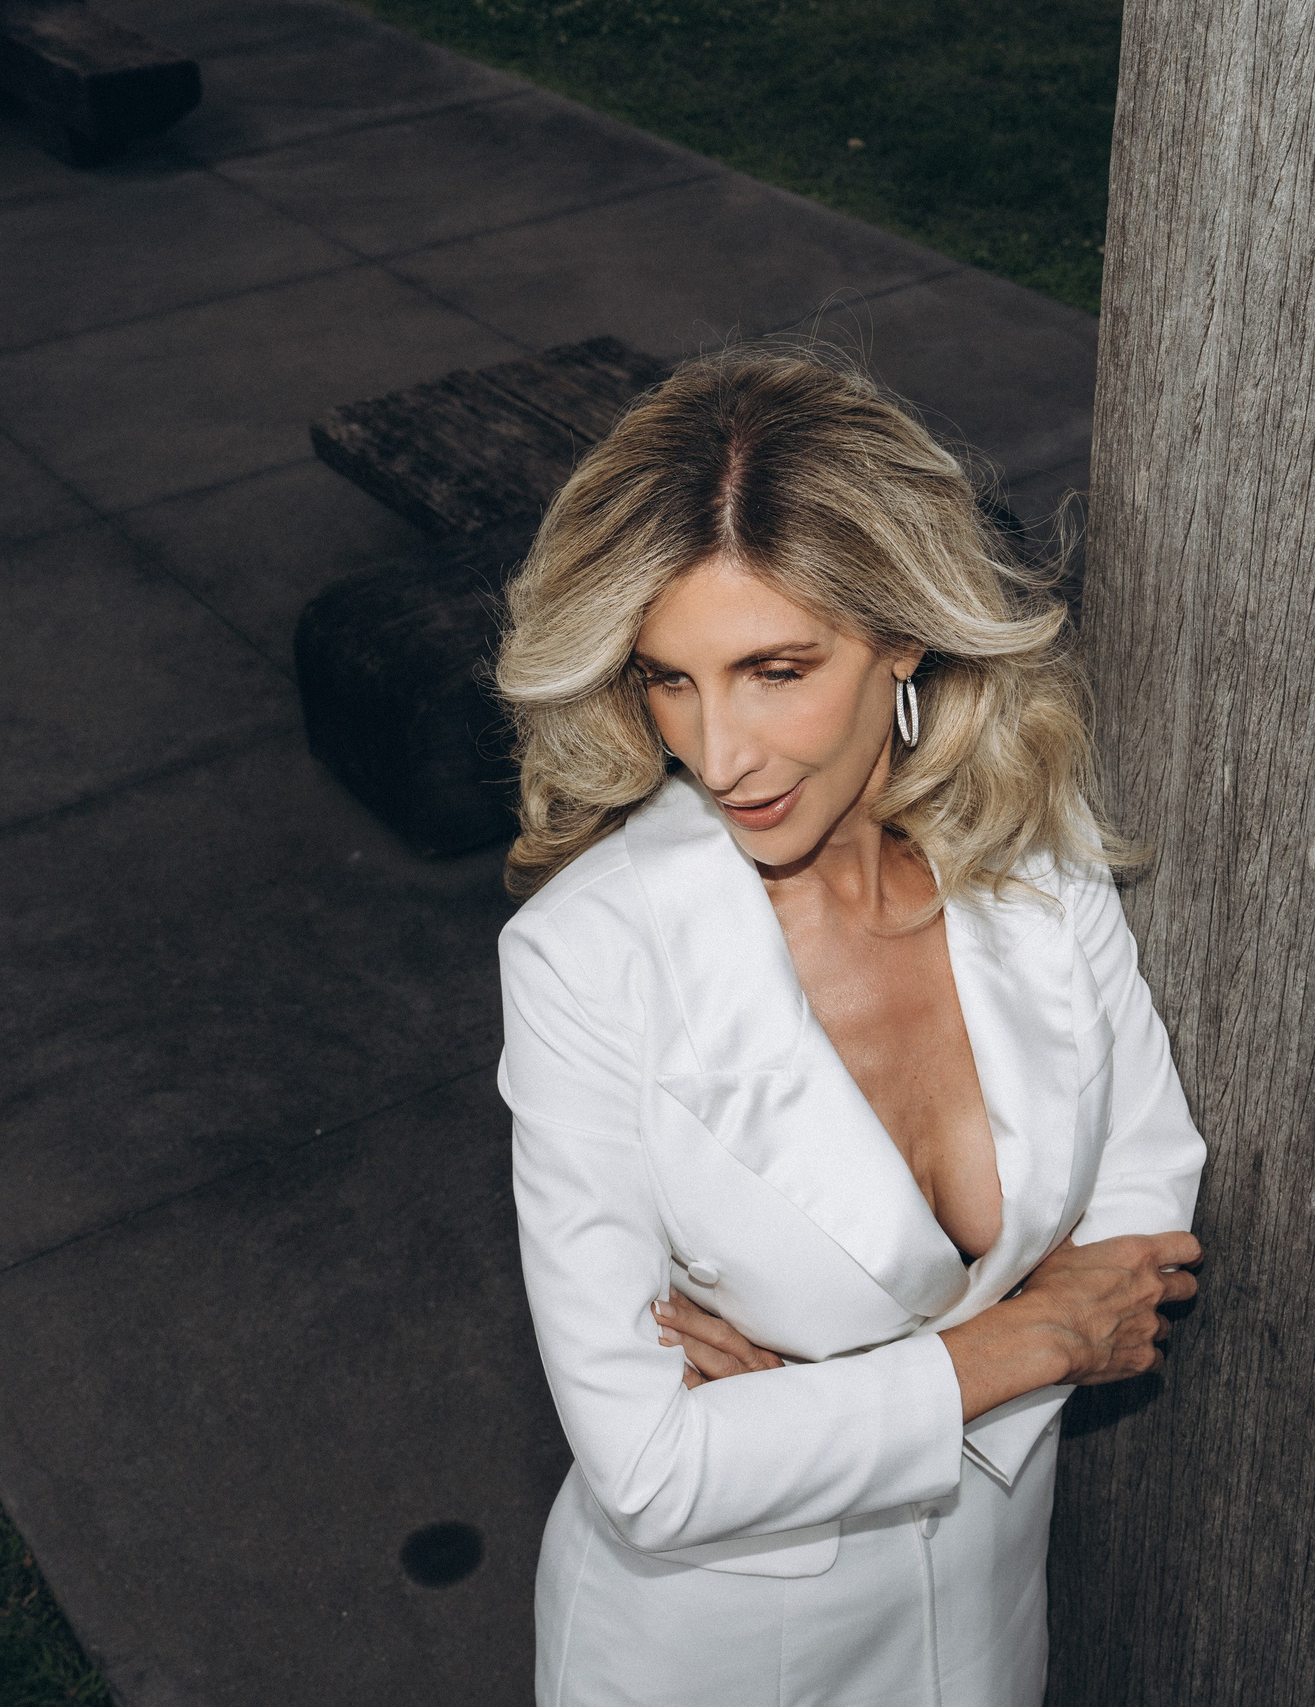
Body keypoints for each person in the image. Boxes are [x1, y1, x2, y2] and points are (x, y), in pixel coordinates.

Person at [492, 346, 1207, 1707]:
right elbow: (651, 1474)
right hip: (710, 1658)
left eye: (774, 668)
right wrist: (1025, 1342)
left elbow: (1146, 1200)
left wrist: (815, 1399)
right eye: (668, 680)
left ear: (903, 636)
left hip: (990, 1620)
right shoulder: (586, 963)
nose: (720, 752)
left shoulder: (1031, 861)